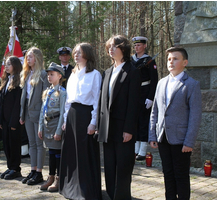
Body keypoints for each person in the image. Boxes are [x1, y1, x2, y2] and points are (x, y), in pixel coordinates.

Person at [149, 47, 202, 200]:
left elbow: (195, 116)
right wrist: (153, 134)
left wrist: (189, 141)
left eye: (175, 58)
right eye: (169, 59)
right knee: (168, 174)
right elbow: (155, 111)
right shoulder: (161, 83)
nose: (171, 61)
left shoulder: (191, 84)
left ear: (185, 62)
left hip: (181, 140)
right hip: (163, 137)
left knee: (181, 176)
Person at [96, 35, 141, 200]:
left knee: (123, 167)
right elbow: (103, 101)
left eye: (114, 46)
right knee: (109, 166)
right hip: (108, 129)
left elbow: (134, 104)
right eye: (109, 46)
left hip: (123, 129)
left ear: (124, 49)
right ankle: (111, 195)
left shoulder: (133, 71)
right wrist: (99, 126)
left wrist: (129, 129)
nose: (110, 49)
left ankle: (122, 197)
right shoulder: (107, 72)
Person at [60, 43, 102, 200]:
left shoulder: (95, 74)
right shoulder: (72, 74)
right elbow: (68, 101)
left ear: (87, 55)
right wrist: (65, 119)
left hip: (86, 115)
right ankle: (71, 188)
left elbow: (97, 100)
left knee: (84, 153)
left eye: (79, 53)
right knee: (71, 153)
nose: (76, 55)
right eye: (75, 53)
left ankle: (86, 190)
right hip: (72, 115)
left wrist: (93, 122)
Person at [20, 47, 50, 185]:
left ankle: (39, 172)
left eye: (30, 57)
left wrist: (43, 116)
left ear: (37, 58)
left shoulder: (43, 74)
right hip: (27, 111)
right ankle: (32, 170)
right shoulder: (26, 74)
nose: (28, 59)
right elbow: (24, 97)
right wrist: (22, 114)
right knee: (31, 143)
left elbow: (45, 97)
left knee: (39, 144)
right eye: (27, 57)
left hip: (38, 112)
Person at [38, 62, 66, 192]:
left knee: (57, 153)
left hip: (55, 126)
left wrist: (59, 130)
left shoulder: (62, 93)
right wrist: (40, 127)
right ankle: (50, 177)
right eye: (48, 74)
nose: (49, 76)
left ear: (59, 76)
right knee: (51, 152)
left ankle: (58, 179)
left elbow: (63, 113)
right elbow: (42, 111)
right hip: (47, 125)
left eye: (52, 74)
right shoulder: (47, 91)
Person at [131, 36, 158, 160]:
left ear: (144, 46)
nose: (137, 47)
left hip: (145, 92)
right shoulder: (131, 60)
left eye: (139, 45)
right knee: (135, 121)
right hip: (134, 92)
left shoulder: (149, 60)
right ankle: (135, 149)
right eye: (135, 45)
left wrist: (151, 97)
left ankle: (142, 151)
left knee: (143, 121)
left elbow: (154, 80)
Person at [0, 56, 23, 180]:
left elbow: (18, 103)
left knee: (14, 144)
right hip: (5, 119)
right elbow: (2, 102)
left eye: (9, 64)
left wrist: (14, 121)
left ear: (15, 66)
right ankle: (10, 166)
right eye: (5, 64)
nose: (6, 66)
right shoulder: (7, 79)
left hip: (13, 120)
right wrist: (0, 119)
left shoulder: (19, 82)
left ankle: (15, 168)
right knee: (7, 144)